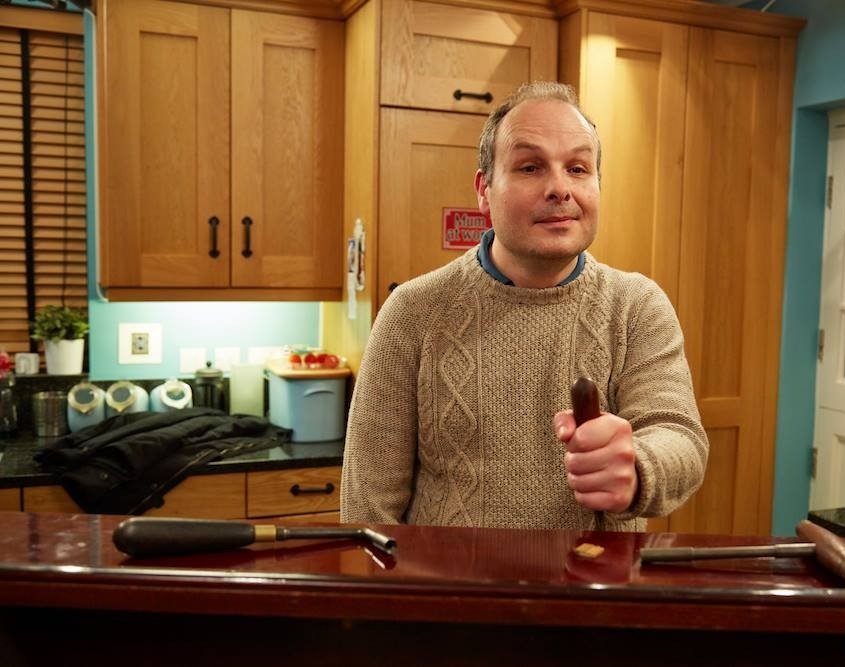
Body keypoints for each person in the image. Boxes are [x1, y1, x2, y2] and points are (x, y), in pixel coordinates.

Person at [340, 81, 708, 531]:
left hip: (596, 576)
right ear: (484, 189)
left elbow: (680, 438)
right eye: (531, 167)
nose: (560, 188)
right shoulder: (412, 312)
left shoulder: (637, 306)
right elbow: (367, 505)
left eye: (577, 168)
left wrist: (637, 467)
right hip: (450, 577)